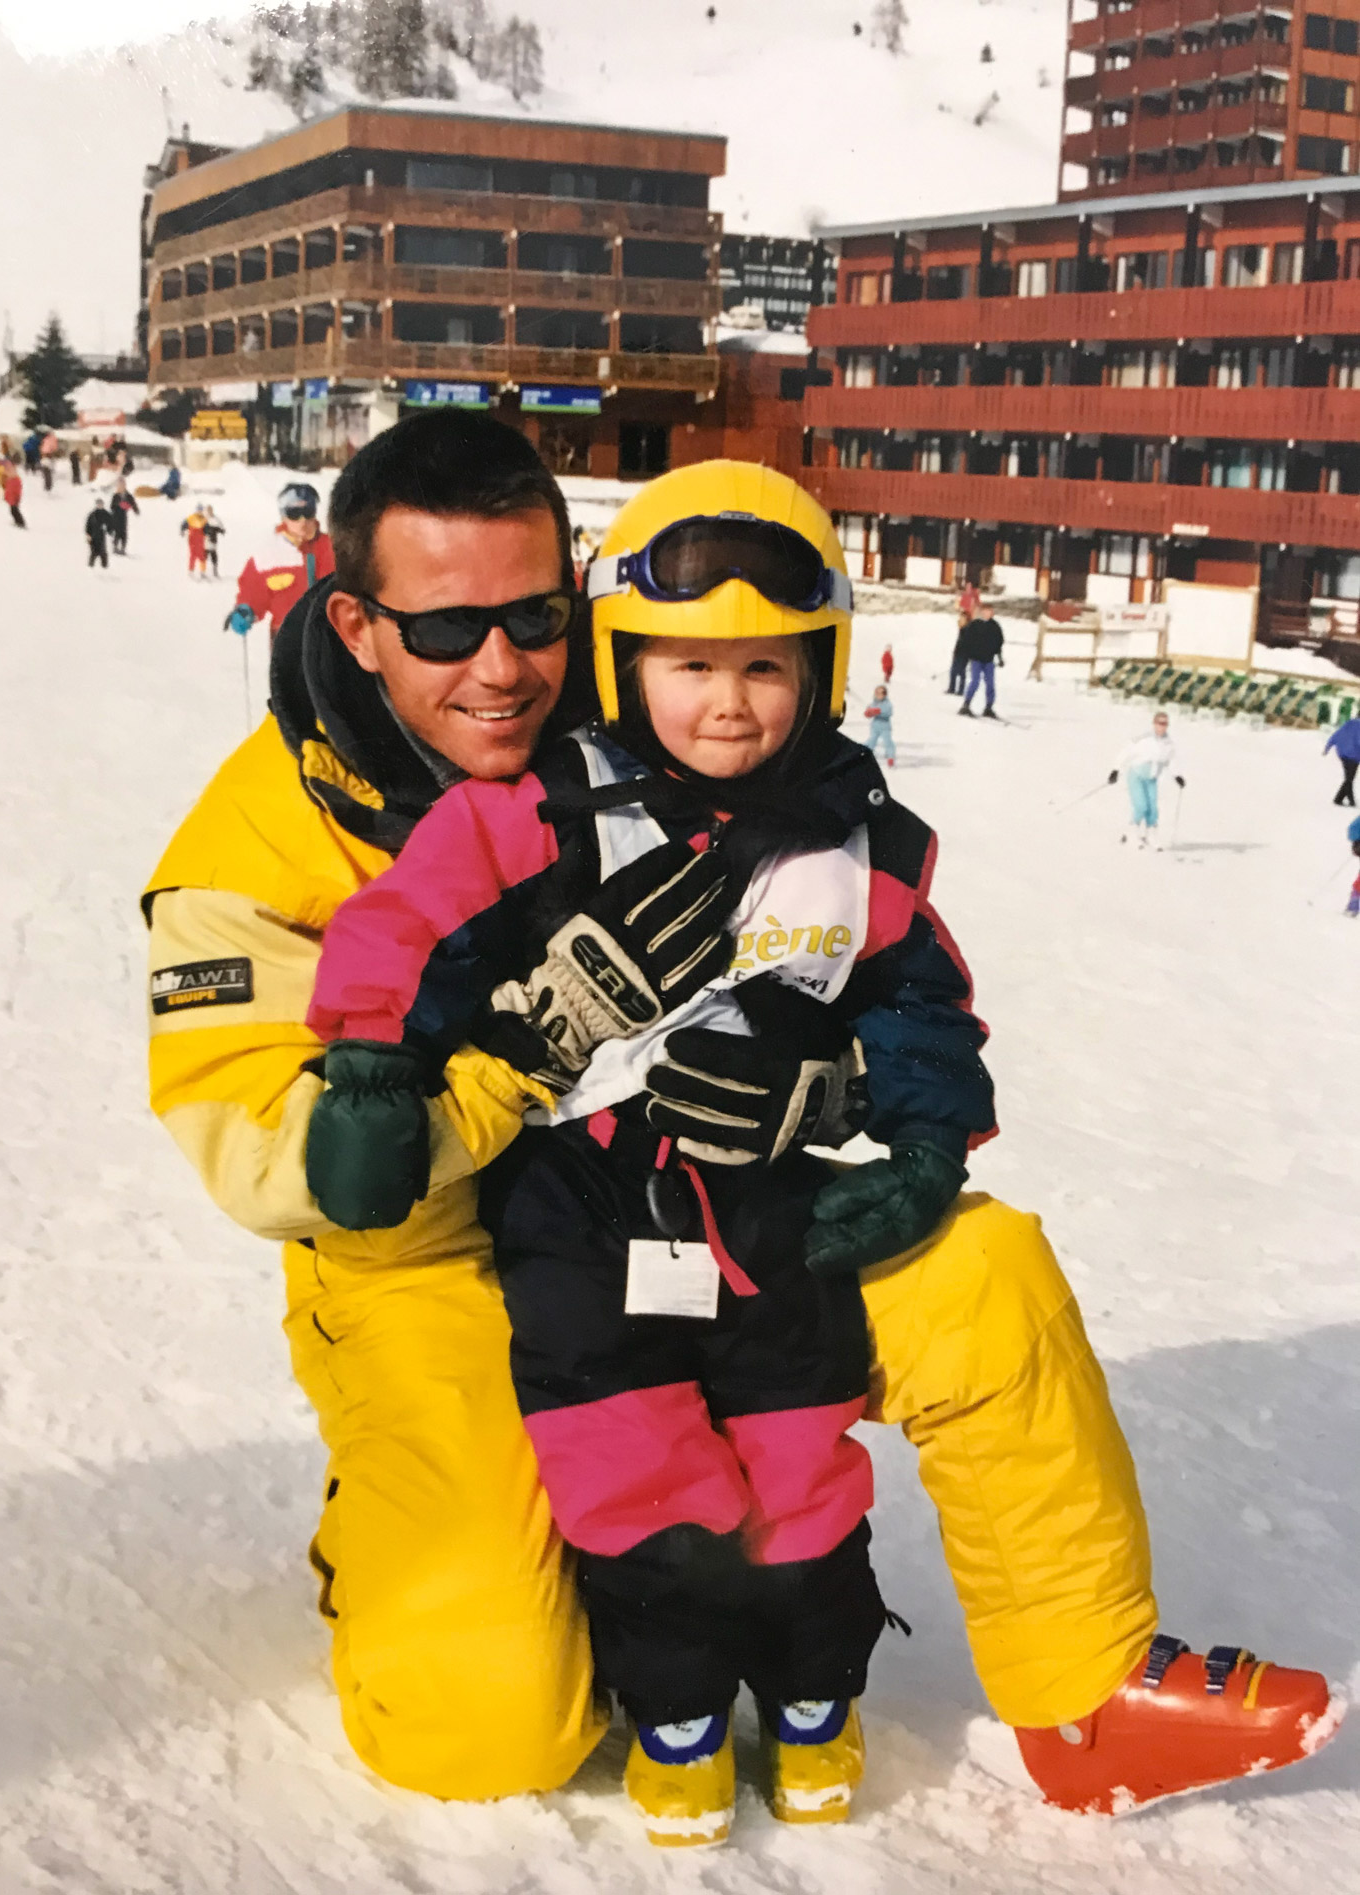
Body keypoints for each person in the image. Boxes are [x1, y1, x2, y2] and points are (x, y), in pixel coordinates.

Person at [143, 410, 1337, 1827]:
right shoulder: (261, 842)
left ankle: (1087, 1692)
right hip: (436, 1266)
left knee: (974, 1271)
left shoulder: (630, 715)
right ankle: (442, 1536)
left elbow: (848, 944)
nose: (502, 666)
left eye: (533, 614)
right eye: (450, 627)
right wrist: (530, 1049)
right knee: (485, 1727)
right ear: (354, 619)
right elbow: (293, 1166)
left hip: (686, 1207)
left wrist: (837, 1091)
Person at [303, 464, 991, 1846]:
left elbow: (926, 998)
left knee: (801, 1464)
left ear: (825, 665)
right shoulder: (540, 807)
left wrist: (913, 1134)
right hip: (581, 1204)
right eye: (688, 663)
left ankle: (811, 1694)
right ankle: (674, 1706)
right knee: (636, 1470)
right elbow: (400, 926)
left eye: (766, 666)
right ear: (626, 660)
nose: (727, 701)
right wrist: (372, 1065)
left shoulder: (863, 844)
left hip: (768, 1206)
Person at [223, 479, 335, 643]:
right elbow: (252, 591)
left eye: (308, 512)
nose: (302, 521)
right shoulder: (270, 555)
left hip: (328, 635)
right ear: (284, 516)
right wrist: (246, 610)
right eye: (294, 514)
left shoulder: (333, 548)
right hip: (286, 637)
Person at [1109, 711, 1184, 848]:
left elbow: (1170, 760)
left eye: (1165, 723)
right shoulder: (1144, 739)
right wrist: (1116, 769)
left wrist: (1177, 776)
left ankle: (1151, 836)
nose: (1163, 726)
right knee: (1141, 806)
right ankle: (1133, 833)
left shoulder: (1168, 743)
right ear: (1154, 724)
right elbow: (1126, 752)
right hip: (1137, 775)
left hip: (1152, 779)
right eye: (1160, 723)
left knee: (1153, 809)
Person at [958, 611, 1005, 718]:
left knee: (990, 683)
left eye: (989, 612)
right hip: (976, 659)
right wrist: (967, 654)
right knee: (975, 681)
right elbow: (966, 639)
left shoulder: (995, 626)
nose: (987, 614)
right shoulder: (975, 625)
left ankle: (989, 707)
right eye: (985, 612)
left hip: (988, 660)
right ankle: (966, 704)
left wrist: (1000, 658)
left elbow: (999, 642)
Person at [1324, 712, 1360, 807]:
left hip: (1343, 754)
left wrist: (1327, 747)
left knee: (1349, 778)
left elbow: (1336, 735)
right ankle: (1351, 801)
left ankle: (1338, 799)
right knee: (1349, 778)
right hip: (1354, 755)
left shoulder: (1347, 724)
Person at [864, 682, 895, 765]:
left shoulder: (887, 703)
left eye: (880, 693)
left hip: (885, 726)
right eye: (876, 693)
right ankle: (866, 754)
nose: (877, 695)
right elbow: (868, 712)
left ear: (884, 694)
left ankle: (890, 757)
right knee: (872, 740)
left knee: (888, 742)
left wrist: (879, 711)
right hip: (875, 726)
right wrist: (868, 712)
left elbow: (889, 712)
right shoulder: (874, 703)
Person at [109, 481, 139, 555]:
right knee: (117, 532)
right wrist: (118, 504)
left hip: (123, 516)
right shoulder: (116, 495)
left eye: (123, 486)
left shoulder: (128, 495)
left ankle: (123, 548)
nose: (121, 487)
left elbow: (133, 503)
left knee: (123, 532)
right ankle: (115, 547)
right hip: (116, 516)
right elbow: (111, 506)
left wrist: (135, 509)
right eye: (120, 486)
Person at [85, 499, 113, 569]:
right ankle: (90, 567)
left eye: (101, 504)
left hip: (101, 536)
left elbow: (111, 523)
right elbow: (88, 525)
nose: (100, 505)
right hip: (93, 536)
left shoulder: (106, 514)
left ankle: (105, 567)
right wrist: (88, 535)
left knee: (102, 552)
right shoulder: (92, 515)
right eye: (98, 504)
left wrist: (109, 530)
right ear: (96, 505)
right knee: (93, 552)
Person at [183, 506, 208, 578]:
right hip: (193, 538)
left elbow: (206, 528)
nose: (200, 512)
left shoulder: (204, 519)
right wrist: (183, 530)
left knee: (202, 555)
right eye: (199, 510)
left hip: (200, 539)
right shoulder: (191, 517)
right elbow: (184, 525)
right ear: (196, 511)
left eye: (201, 510)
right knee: (193, 555)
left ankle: (202, 571)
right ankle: (191, 571)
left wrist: (207, 533)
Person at [200, 507, 225, 577]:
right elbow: (200, 528)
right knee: (204, 557)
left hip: (213, 542)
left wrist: (221, 530)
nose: (209, 512)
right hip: (206, 542)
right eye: (208, 510)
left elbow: (220, 527)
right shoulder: (204, 519)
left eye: (210, 510)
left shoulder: (215, 518)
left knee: (214, 558)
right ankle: (202, 572)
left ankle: (215, 572)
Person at [3, 463, 25, 529]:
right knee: (12, 511)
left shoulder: (16, 481)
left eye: (10, 472)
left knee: (15, 511)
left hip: (15, 499)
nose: (8, 474)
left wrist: (17, 497)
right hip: (11, 499)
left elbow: (18, 490)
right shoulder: (9, 480)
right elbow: (7, 490)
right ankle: (17, 521)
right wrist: (6, 497)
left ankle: (21, 523)